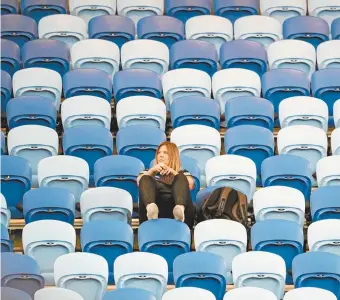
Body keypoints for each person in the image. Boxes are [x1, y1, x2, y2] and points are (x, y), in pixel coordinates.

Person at [137, 141, 196, 228]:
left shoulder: (182, 173)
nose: (161, 155)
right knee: (145, 178)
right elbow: (139, 181)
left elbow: (190, 184)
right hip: (154, 214)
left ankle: (180, 210)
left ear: (173, 155)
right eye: (159, 153)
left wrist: (172, 171)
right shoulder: (148, 171)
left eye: (165, 153)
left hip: (180, 214)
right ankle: (151, 209)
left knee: (181, 177)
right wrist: (152, 171)